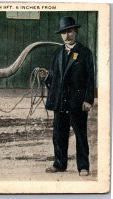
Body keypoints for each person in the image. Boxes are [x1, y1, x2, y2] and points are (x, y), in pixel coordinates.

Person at [40, 16, 95, 176]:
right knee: (59, 134)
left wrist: (88, 99)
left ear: (75, 31)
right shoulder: (57, 53)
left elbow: (90, 79)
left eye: (69, 31)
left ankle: (83, 166)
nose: (66, 35)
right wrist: (46, 76)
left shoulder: (85, 53)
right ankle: (59, 164)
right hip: (60, 101)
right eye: (63, 33)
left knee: (80, 134)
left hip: (77, 102)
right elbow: (55, 77)